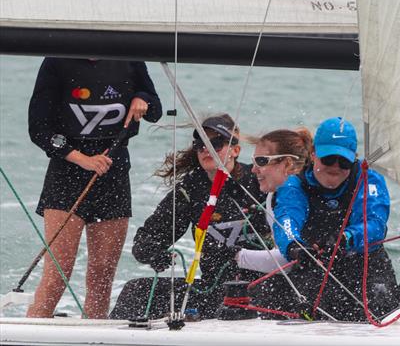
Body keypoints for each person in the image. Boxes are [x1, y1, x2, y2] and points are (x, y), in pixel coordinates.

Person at [27, 58, 161, 318]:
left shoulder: (129, 59)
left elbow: (155, 109)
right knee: (59, 269)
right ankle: (34, 326)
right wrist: (83, 159)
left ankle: (94, 333)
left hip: (114, 172)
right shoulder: (56, 61)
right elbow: (38, 129)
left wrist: (142, 98)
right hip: (67, 173)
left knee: (102, 274)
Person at [109, 114, 269, 320]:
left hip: (260, 287)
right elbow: (146, 241)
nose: (206, 149)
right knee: (137, 290)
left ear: (235, 150)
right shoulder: (191, 188)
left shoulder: (258, 181)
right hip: (213, 289)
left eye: (216, 143)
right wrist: (153, 252)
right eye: (200, 144)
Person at [253, 117, 399, 321]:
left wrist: (346, 238)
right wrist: (294, 246)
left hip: (366, 270)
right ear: (313, 155)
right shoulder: (295, 186)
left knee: (382, 305)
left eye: (344, 161)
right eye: (329, 159)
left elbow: (374, 225)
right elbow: (287, 221)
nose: (335, 166)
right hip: (315, 267)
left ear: (354, 159)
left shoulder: (369, 179)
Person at [233, 127, 313, 274]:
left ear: (288, 164)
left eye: (261, 161)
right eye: (254, 162)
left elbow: (292, 260)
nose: (253, 170)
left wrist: (237, 256)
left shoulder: (307, 194)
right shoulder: (272, 196)